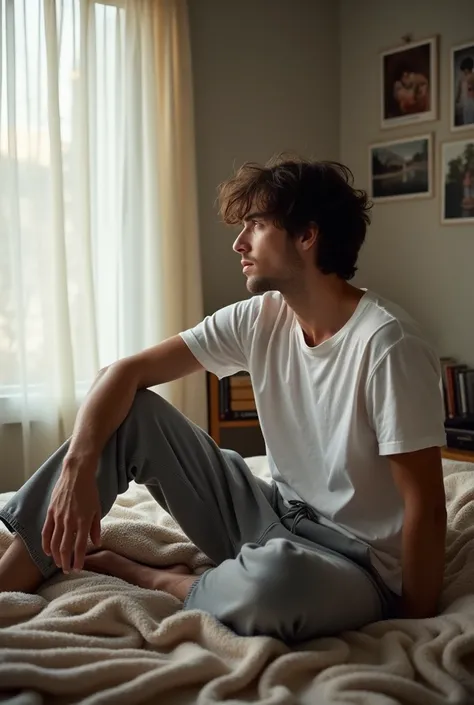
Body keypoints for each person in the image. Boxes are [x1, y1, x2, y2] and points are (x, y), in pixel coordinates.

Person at [0, 157, 447, 644]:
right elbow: (122, 374)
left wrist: (418, 624)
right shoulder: (261, 317)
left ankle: (165, 579)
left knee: (276, 585)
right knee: (132, 413)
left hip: (351, 563)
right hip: (269, 512)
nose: (239, 242)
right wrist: (76, 471)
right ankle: (9, 580)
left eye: (256, 225)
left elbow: (424, 501)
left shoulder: (388, 345)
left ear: (307, 236)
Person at [456, 56, 474, 126]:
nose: (464, 72)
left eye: (465, 70)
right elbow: (459, 89)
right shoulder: (462, 78)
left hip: (471, 100)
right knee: (467, 116)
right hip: (466, 102)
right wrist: (457, 98)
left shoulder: (472, 76)